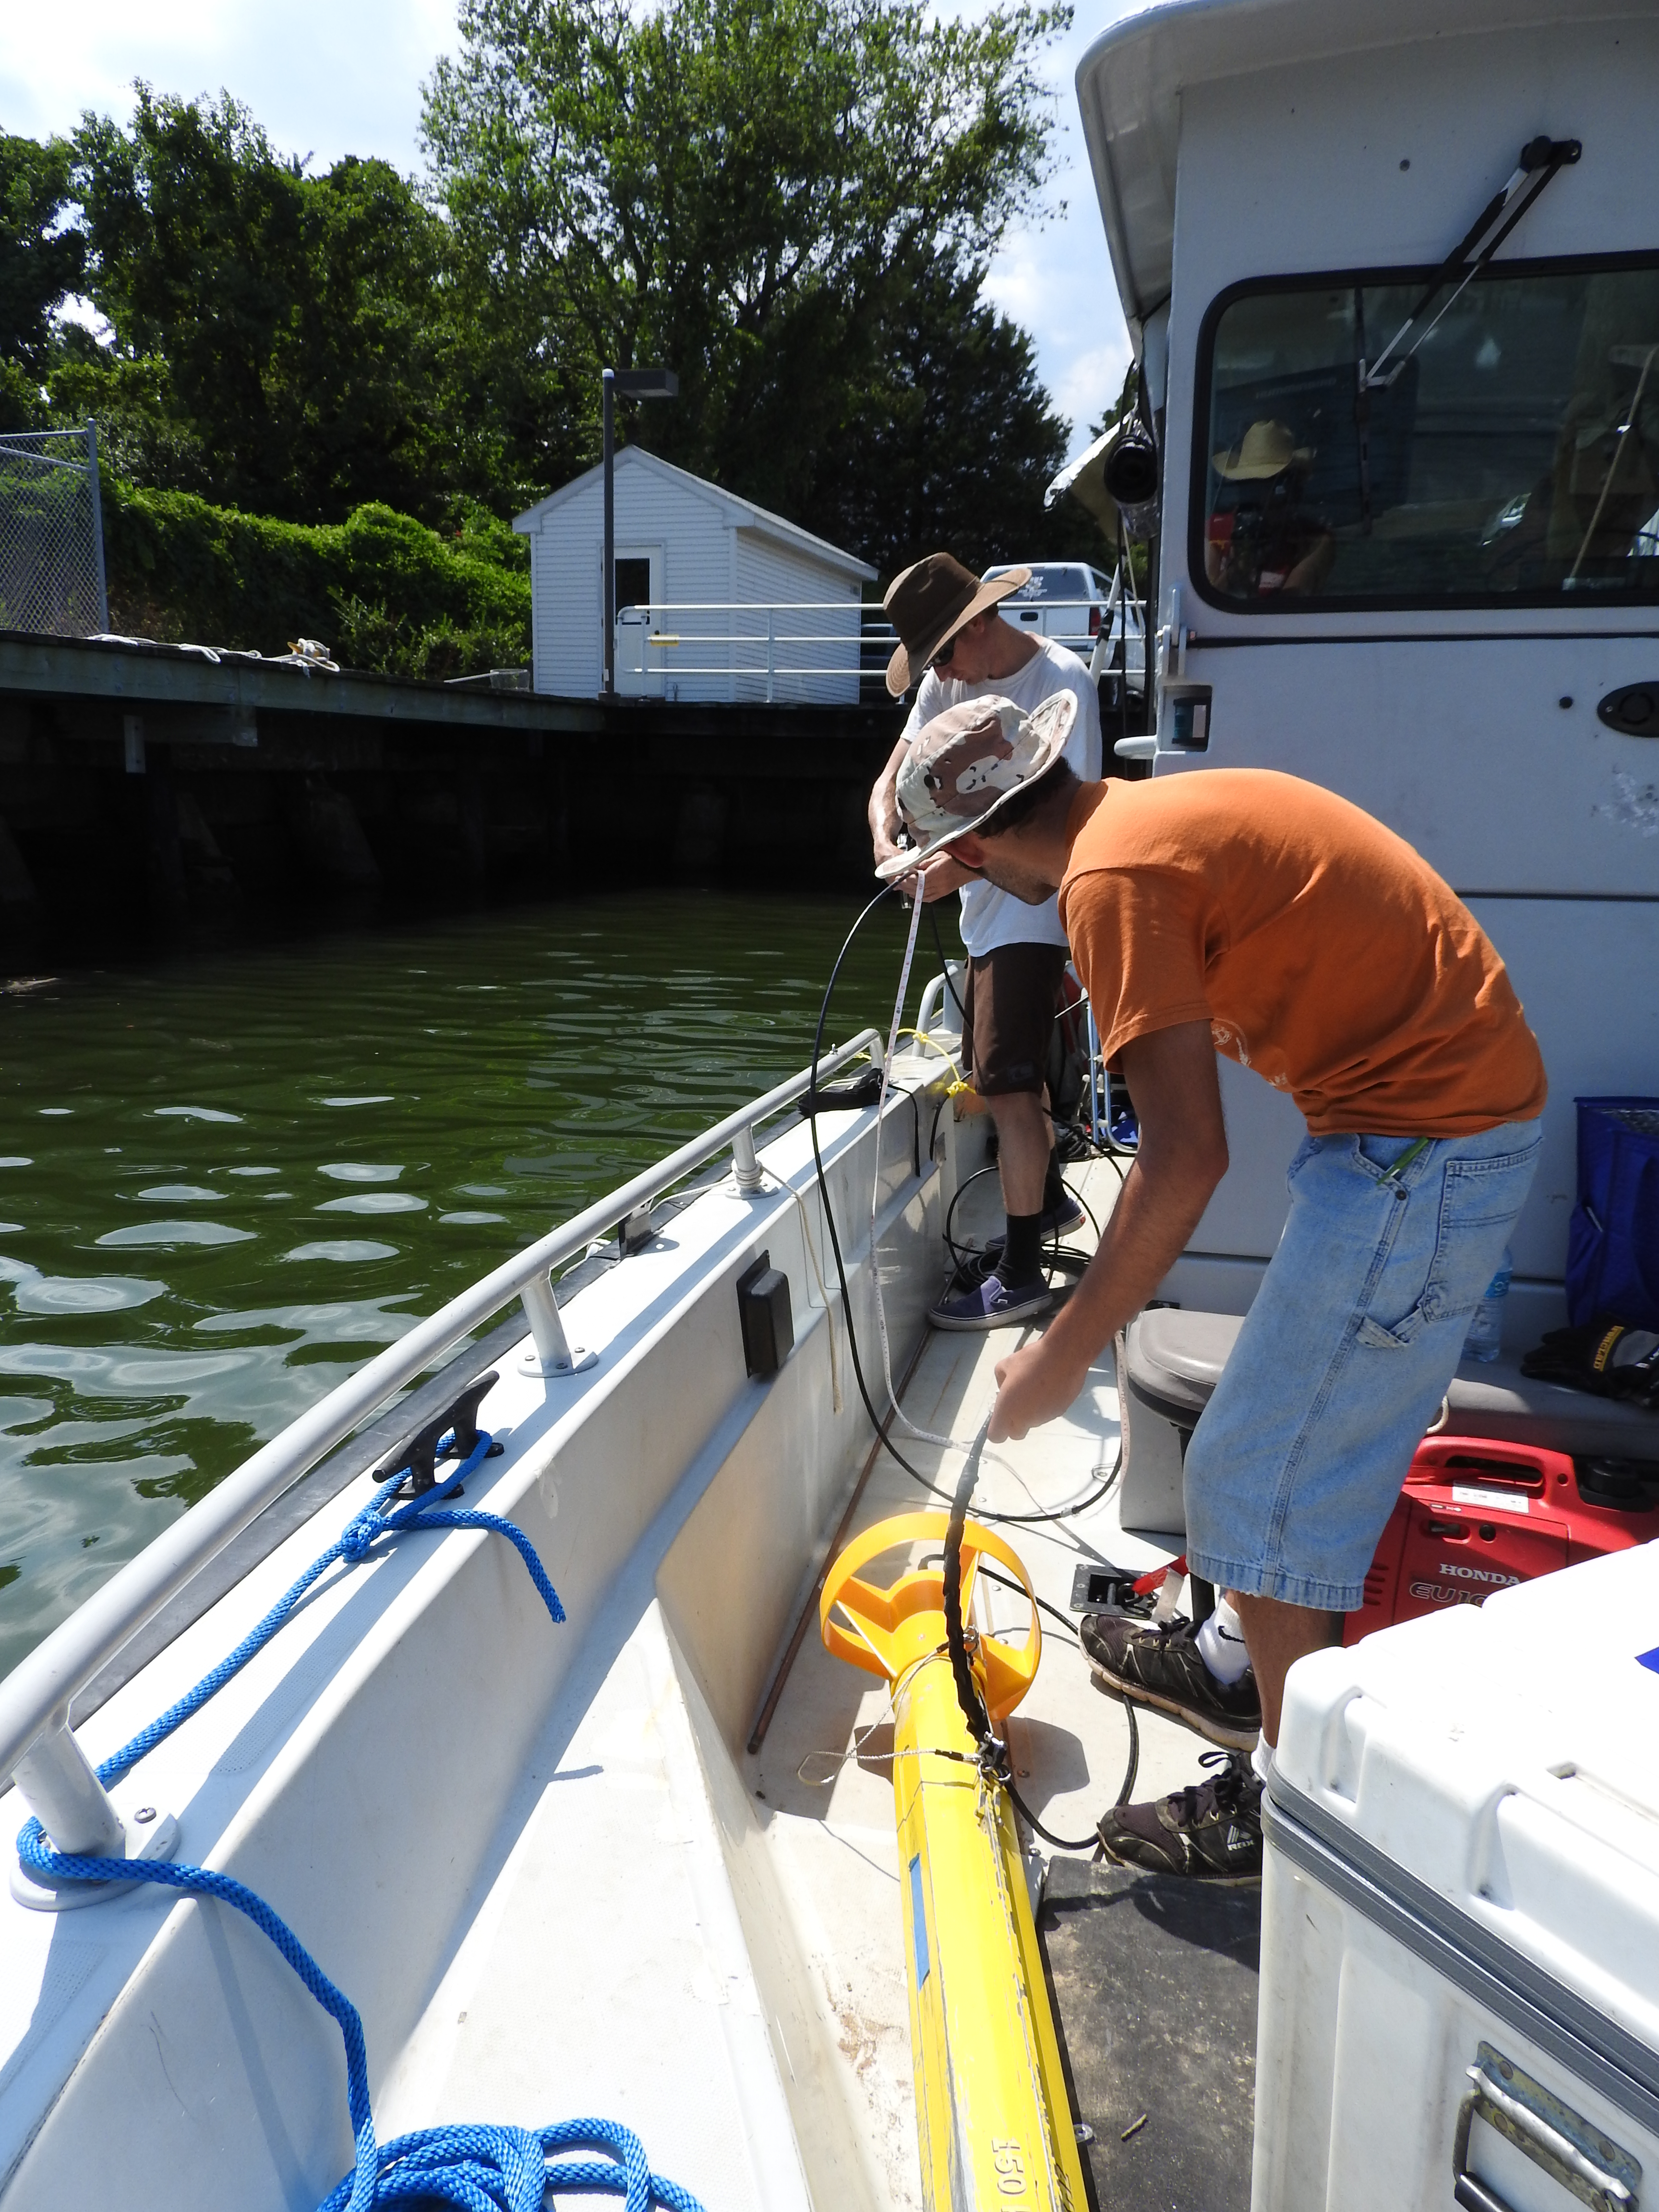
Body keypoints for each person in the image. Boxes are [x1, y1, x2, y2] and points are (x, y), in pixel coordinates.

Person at [882, 716, 1546, 1875]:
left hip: (1426, 1144)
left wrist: (1051, 1358)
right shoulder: (1134, 818)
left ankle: (1289, 1826)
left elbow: (1184, 1158)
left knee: (1253, 1480)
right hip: (1410, 1132)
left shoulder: (1111, 883)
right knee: (1263, 1436)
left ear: (971, 856)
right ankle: (1232, 1668)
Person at [869, 552, 1103, 1329]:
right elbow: (895, 771)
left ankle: (1021, 1273)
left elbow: (1048, 832)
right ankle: (1048, 1206)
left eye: (941, 651)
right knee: (1012, 1078)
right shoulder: (946, 682)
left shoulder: (1060, 679)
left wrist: (945, 873)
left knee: (1004, 1085)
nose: (938, 672)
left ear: (976, 623)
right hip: (979, 908)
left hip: (1030, 909)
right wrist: (885, 841)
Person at [1204, 418, 1336, 597]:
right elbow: (1202, 605)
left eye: (1268, 483)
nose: (1255, 495)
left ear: (1291, 486)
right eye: (1248, 483)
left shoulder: (1312, 540)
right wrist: (1234, 574)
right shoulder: (1216, 531)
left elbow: (1291, 603)